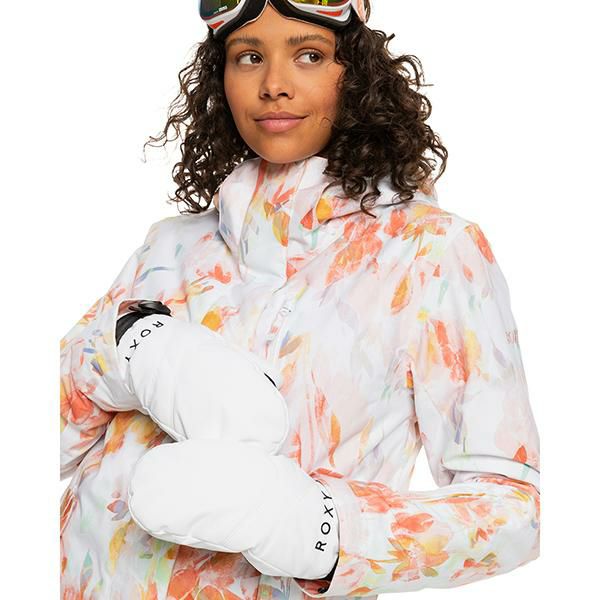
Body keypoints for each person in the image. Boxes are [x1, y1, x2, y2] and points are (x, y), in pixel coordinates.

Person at [59, 1, 540, 598]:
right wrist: (126, 349)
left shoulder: (430, 253)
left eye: (309, 55)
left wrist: (315, 528)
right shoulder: (171, 247)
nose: (274, 85)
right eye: (249, 57)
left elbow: (512, 515)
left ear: (356, 72)